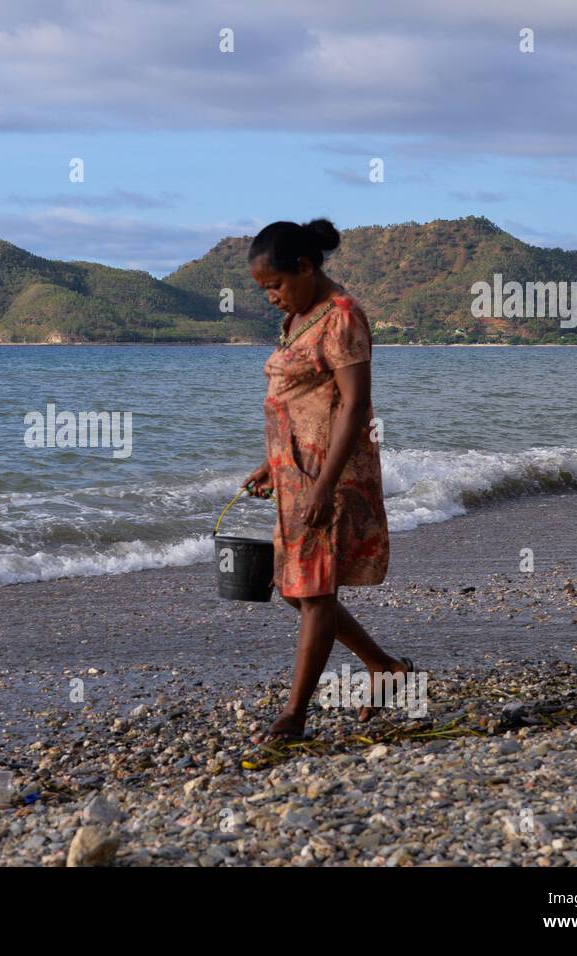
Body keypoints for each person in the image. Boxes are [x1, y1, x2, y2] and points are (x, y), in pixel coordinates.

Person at [242, 218, 411, 741]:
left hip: (329, 475)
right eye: (264, 289)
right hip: (296, 472)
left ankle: (295, 716)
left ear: (306, 267)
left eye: (276, 284)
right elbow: (303, 398)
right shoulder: (301, 315)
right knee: (293, 588)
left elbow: (354, 403)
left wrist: (322, 484)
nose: (271, 296)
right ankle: (386, 668)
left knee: (313, 592)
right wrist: (274, 463)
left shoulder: (341, 317)